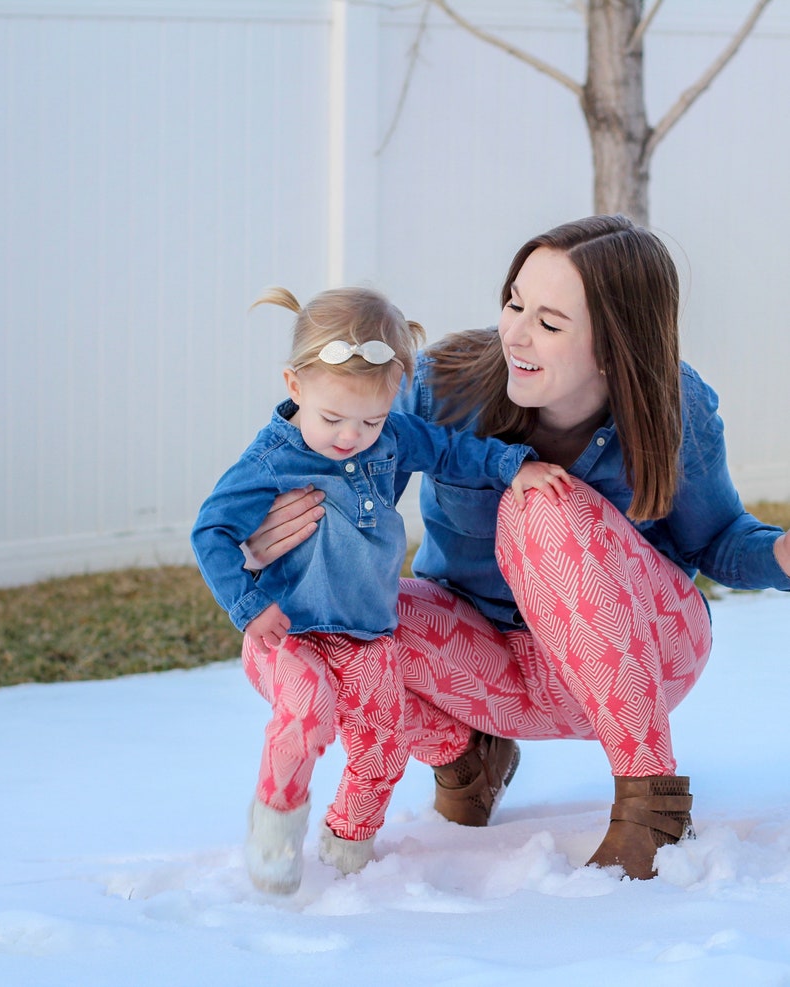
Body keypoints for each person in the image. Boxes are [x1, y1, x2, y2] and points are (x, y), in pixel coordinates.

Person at [245, 214, 790, 881]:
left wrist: (781, 553)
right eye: (513, 303)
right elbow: (353, 502)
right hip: (486, 664)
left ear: (613, 346)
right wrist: (276, 543)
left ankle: (653, 804)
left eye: (549, 322)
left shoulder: (675, 404)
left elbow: (718, 539)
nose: (516, 333)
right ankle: (466, 754)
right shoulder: (443, 386)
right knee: (330, 615)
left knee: (540, 504)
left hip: (641, 658)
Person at [190, 285, 552, 895]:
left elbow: (449, 450)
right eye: (332, 418)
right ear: (295, 386)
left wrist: (512, 466)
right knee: (305, 714)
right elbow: (211, 531)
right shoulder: (271, 463)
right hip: (291, 630)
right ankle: (275, 830)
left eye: (371, 419)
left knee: (381, 740)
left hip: (367, 633)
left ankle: (349, 848)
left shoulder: (390, 438)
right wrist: (250, 607)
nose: (351, 436)